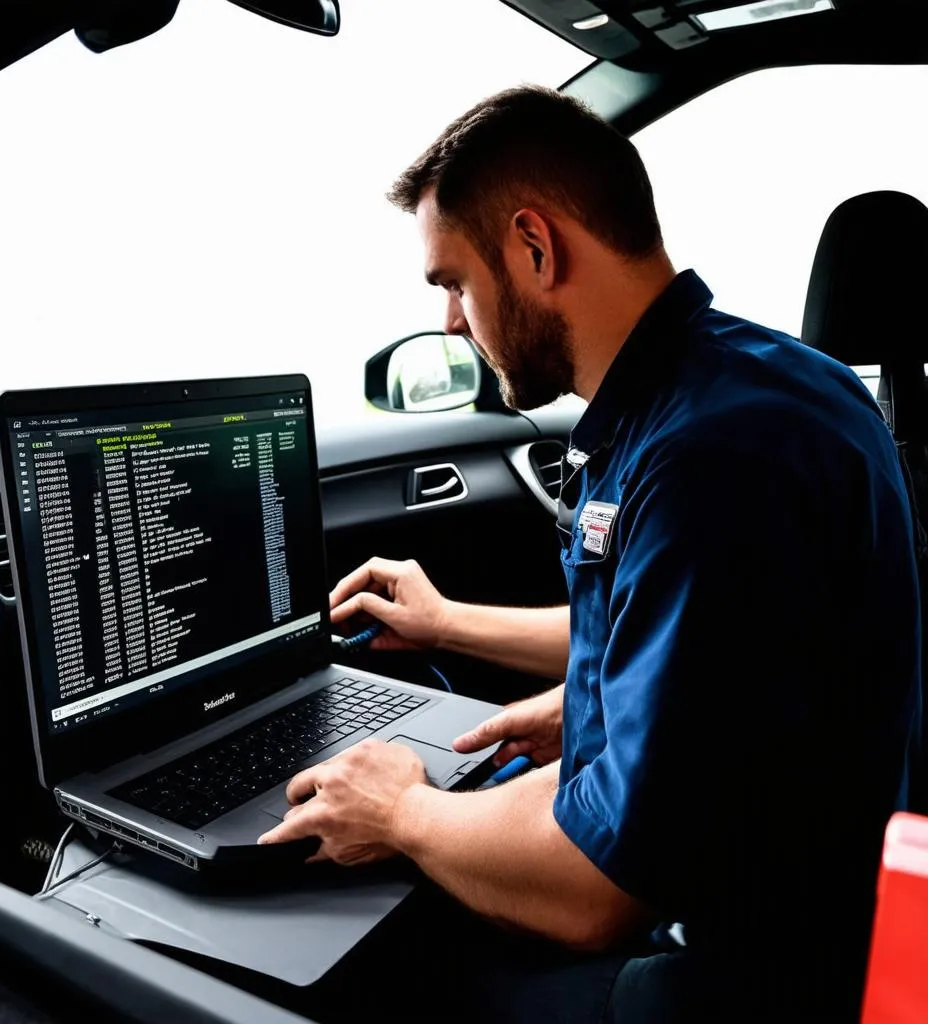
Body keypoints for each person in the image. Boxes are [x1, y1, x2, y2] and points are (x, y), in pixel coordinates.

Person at [258, 86, 920, 1021]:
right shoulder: (762, 382)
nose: (451, 321)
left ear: (535, 248)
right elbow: (711, 641)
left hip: (736, 972)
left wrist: (401, 811)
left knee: (374, 960)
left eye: (453, 281)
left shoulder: (711, 458)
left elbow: (594, 891)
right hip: (797, 895)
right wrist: (534, 673)